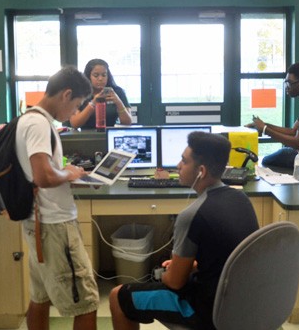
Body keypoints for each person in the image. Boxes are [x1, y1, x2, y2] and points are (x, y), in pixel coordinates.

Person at [109, 132, 259, 330]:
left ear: (201, 171)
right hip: (243, 303)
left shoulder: (192, 214)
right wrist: (190, 265)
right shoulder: (241, 199)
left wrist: (166, 273)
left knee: (118, 296)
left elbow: (175, 283)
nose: (178, 166)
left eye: (183, 161)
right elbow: (227, 256)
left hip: (209, 311)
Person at [18, 66, 100, 330]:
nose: (74, 113)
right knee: (87, 303)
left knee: (40, 298)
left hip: (38, 221)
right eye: (76, 105)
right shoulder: (39, 123)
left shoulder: (26, 119)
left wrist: (64, 173)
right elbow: (43, 177)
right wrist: (70, 173)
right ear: (66, 94)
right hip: (54, 226)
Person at [69, 58, 132, 129]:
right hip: (86, 136)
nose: (100, 79)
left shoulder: (117, 92)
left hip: (110, 134)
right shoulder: (80, 93)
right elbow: (75, 124)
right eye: (96, 75)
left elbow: (128, 122)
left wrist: (118, 102)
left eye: (104, 75)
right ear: (88, 76)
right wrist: (93, 103)